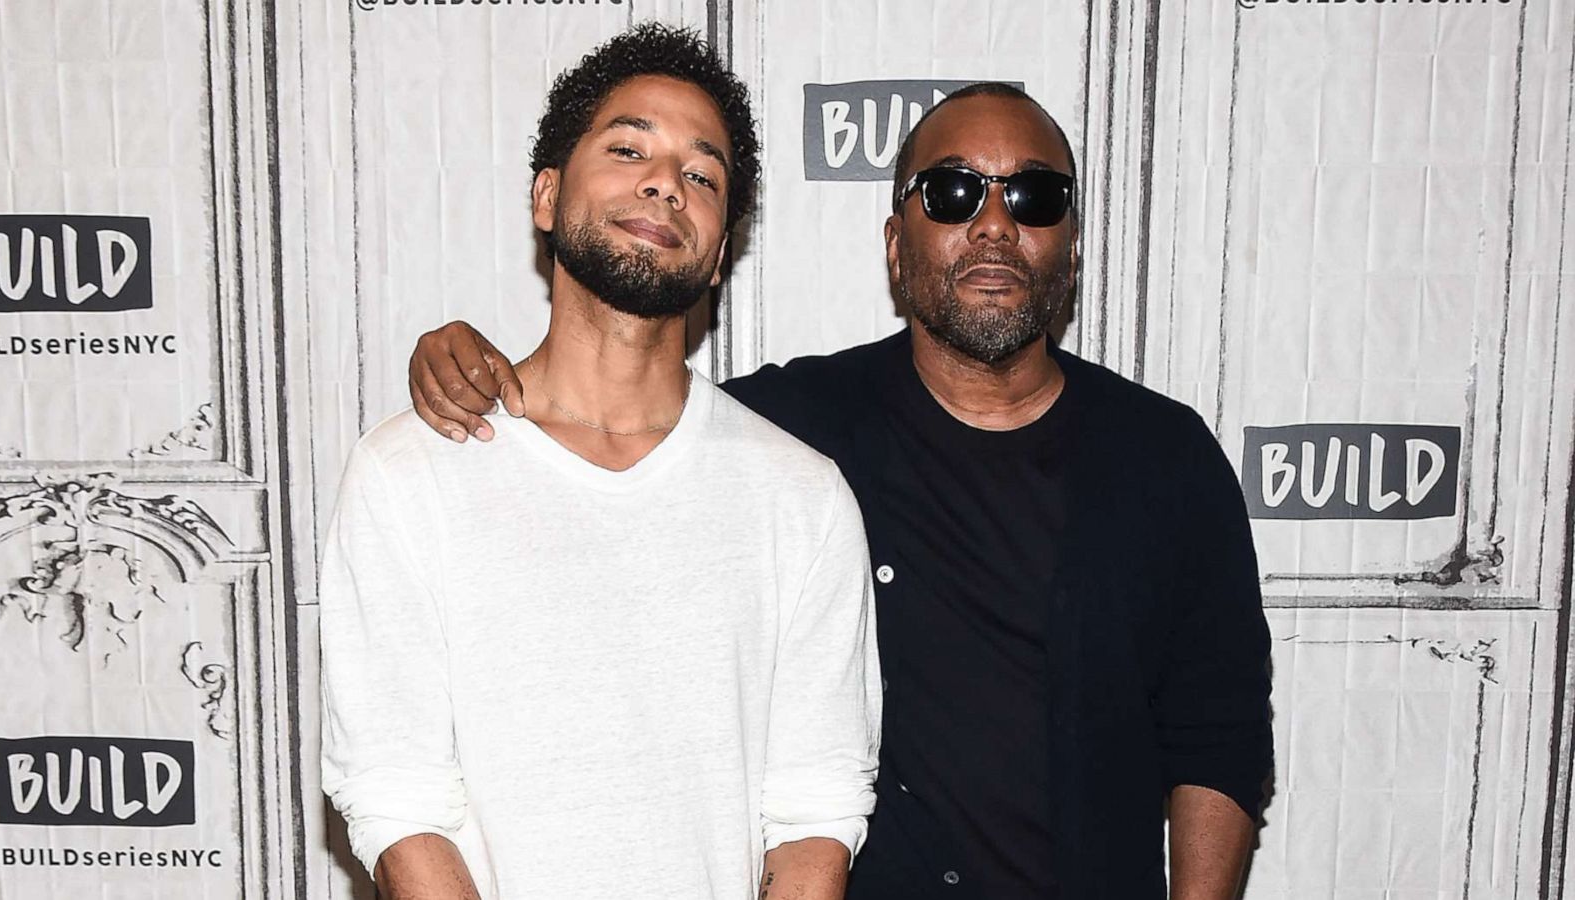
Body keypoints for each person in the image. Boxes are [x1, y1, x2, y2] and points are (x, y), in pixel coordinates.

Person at [408, 82, 1274, 898]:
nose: (995, 226)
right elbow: (614, 406)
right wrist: (464, 359)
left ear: (1073, 244)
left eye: (1035, 198)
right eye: (952, 194)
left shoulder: (1167, 458)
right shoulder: (787, 430)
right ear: (897, 246)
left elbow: (1219, 736)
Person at [320, 24, 881, 900]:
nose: (665, 182)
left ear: (722, 246)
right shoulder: (409, 472)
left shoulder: (799, 496)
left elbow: (815, 806)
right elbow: (397, 798)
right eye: (628, 149)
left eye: (703, 174)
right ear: (546, 195)